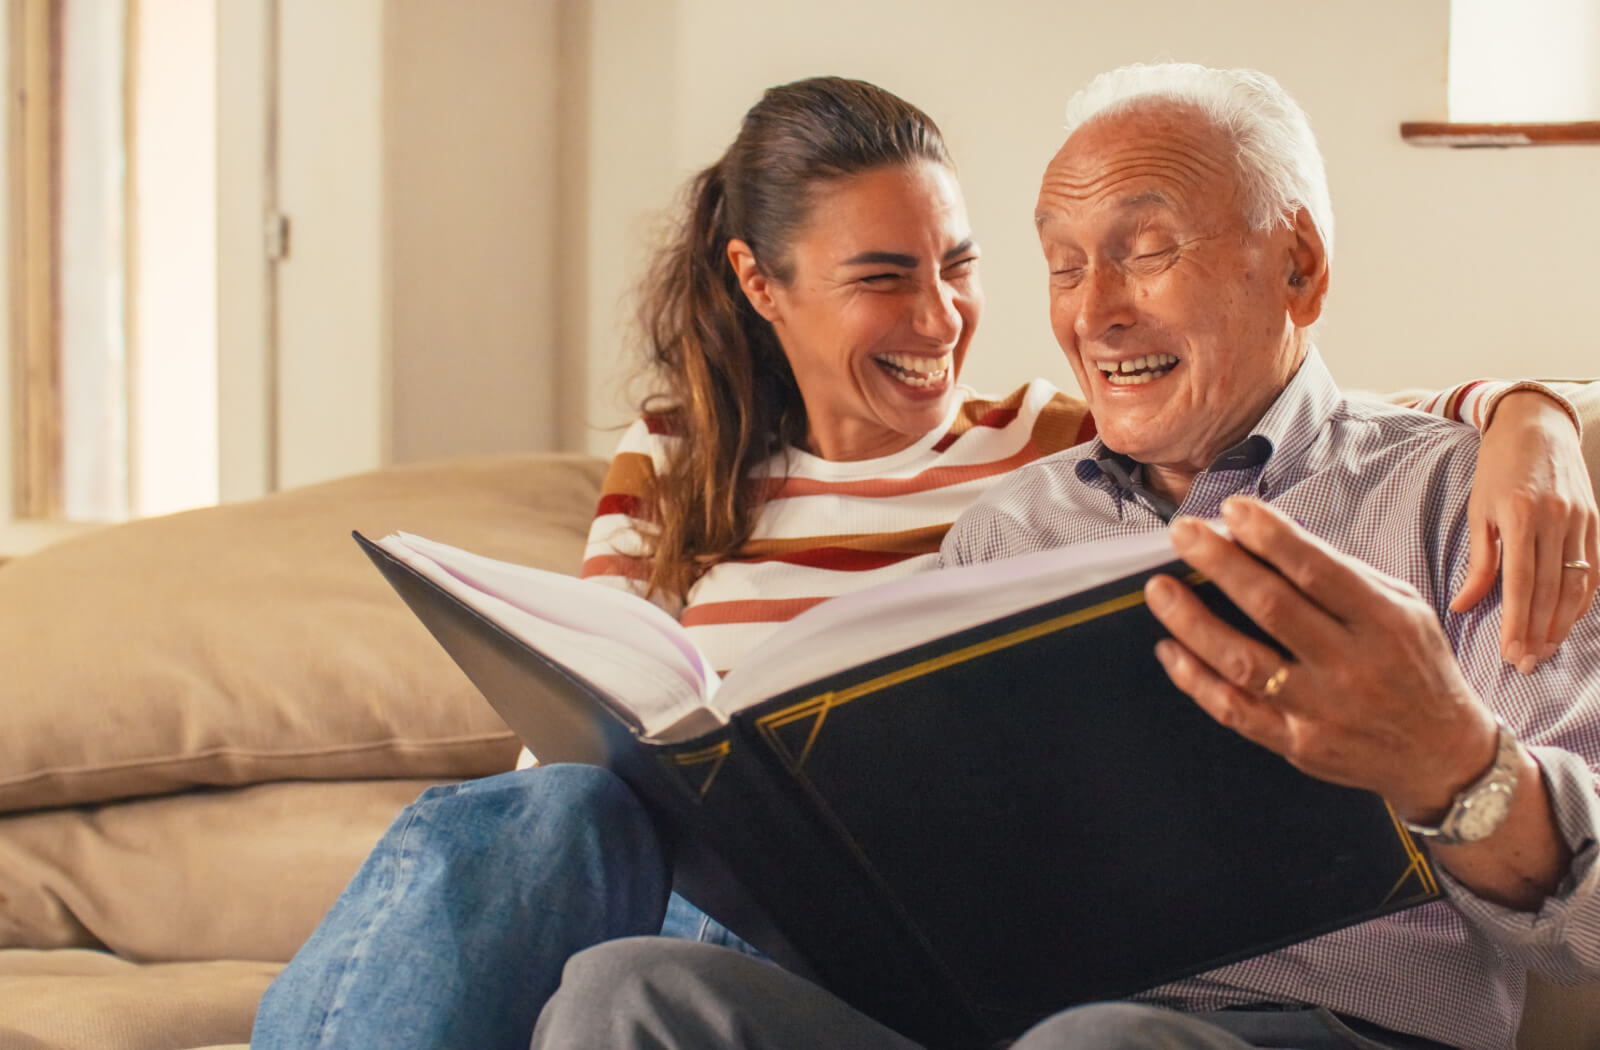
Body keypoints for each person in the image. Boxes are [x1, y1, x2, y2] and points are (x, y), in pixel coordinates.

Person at [250, 76, 1596, 1050]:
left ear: (1296, 260)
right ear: (759, 284)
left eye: (1143, 248)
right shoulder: (1007, 521)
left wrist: (1461, 748)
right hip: (928, 985)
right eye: (1063, 264)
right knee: (617, 981)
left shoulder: (1454, 505)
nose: (1091, 310)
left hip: (1282, 1026)